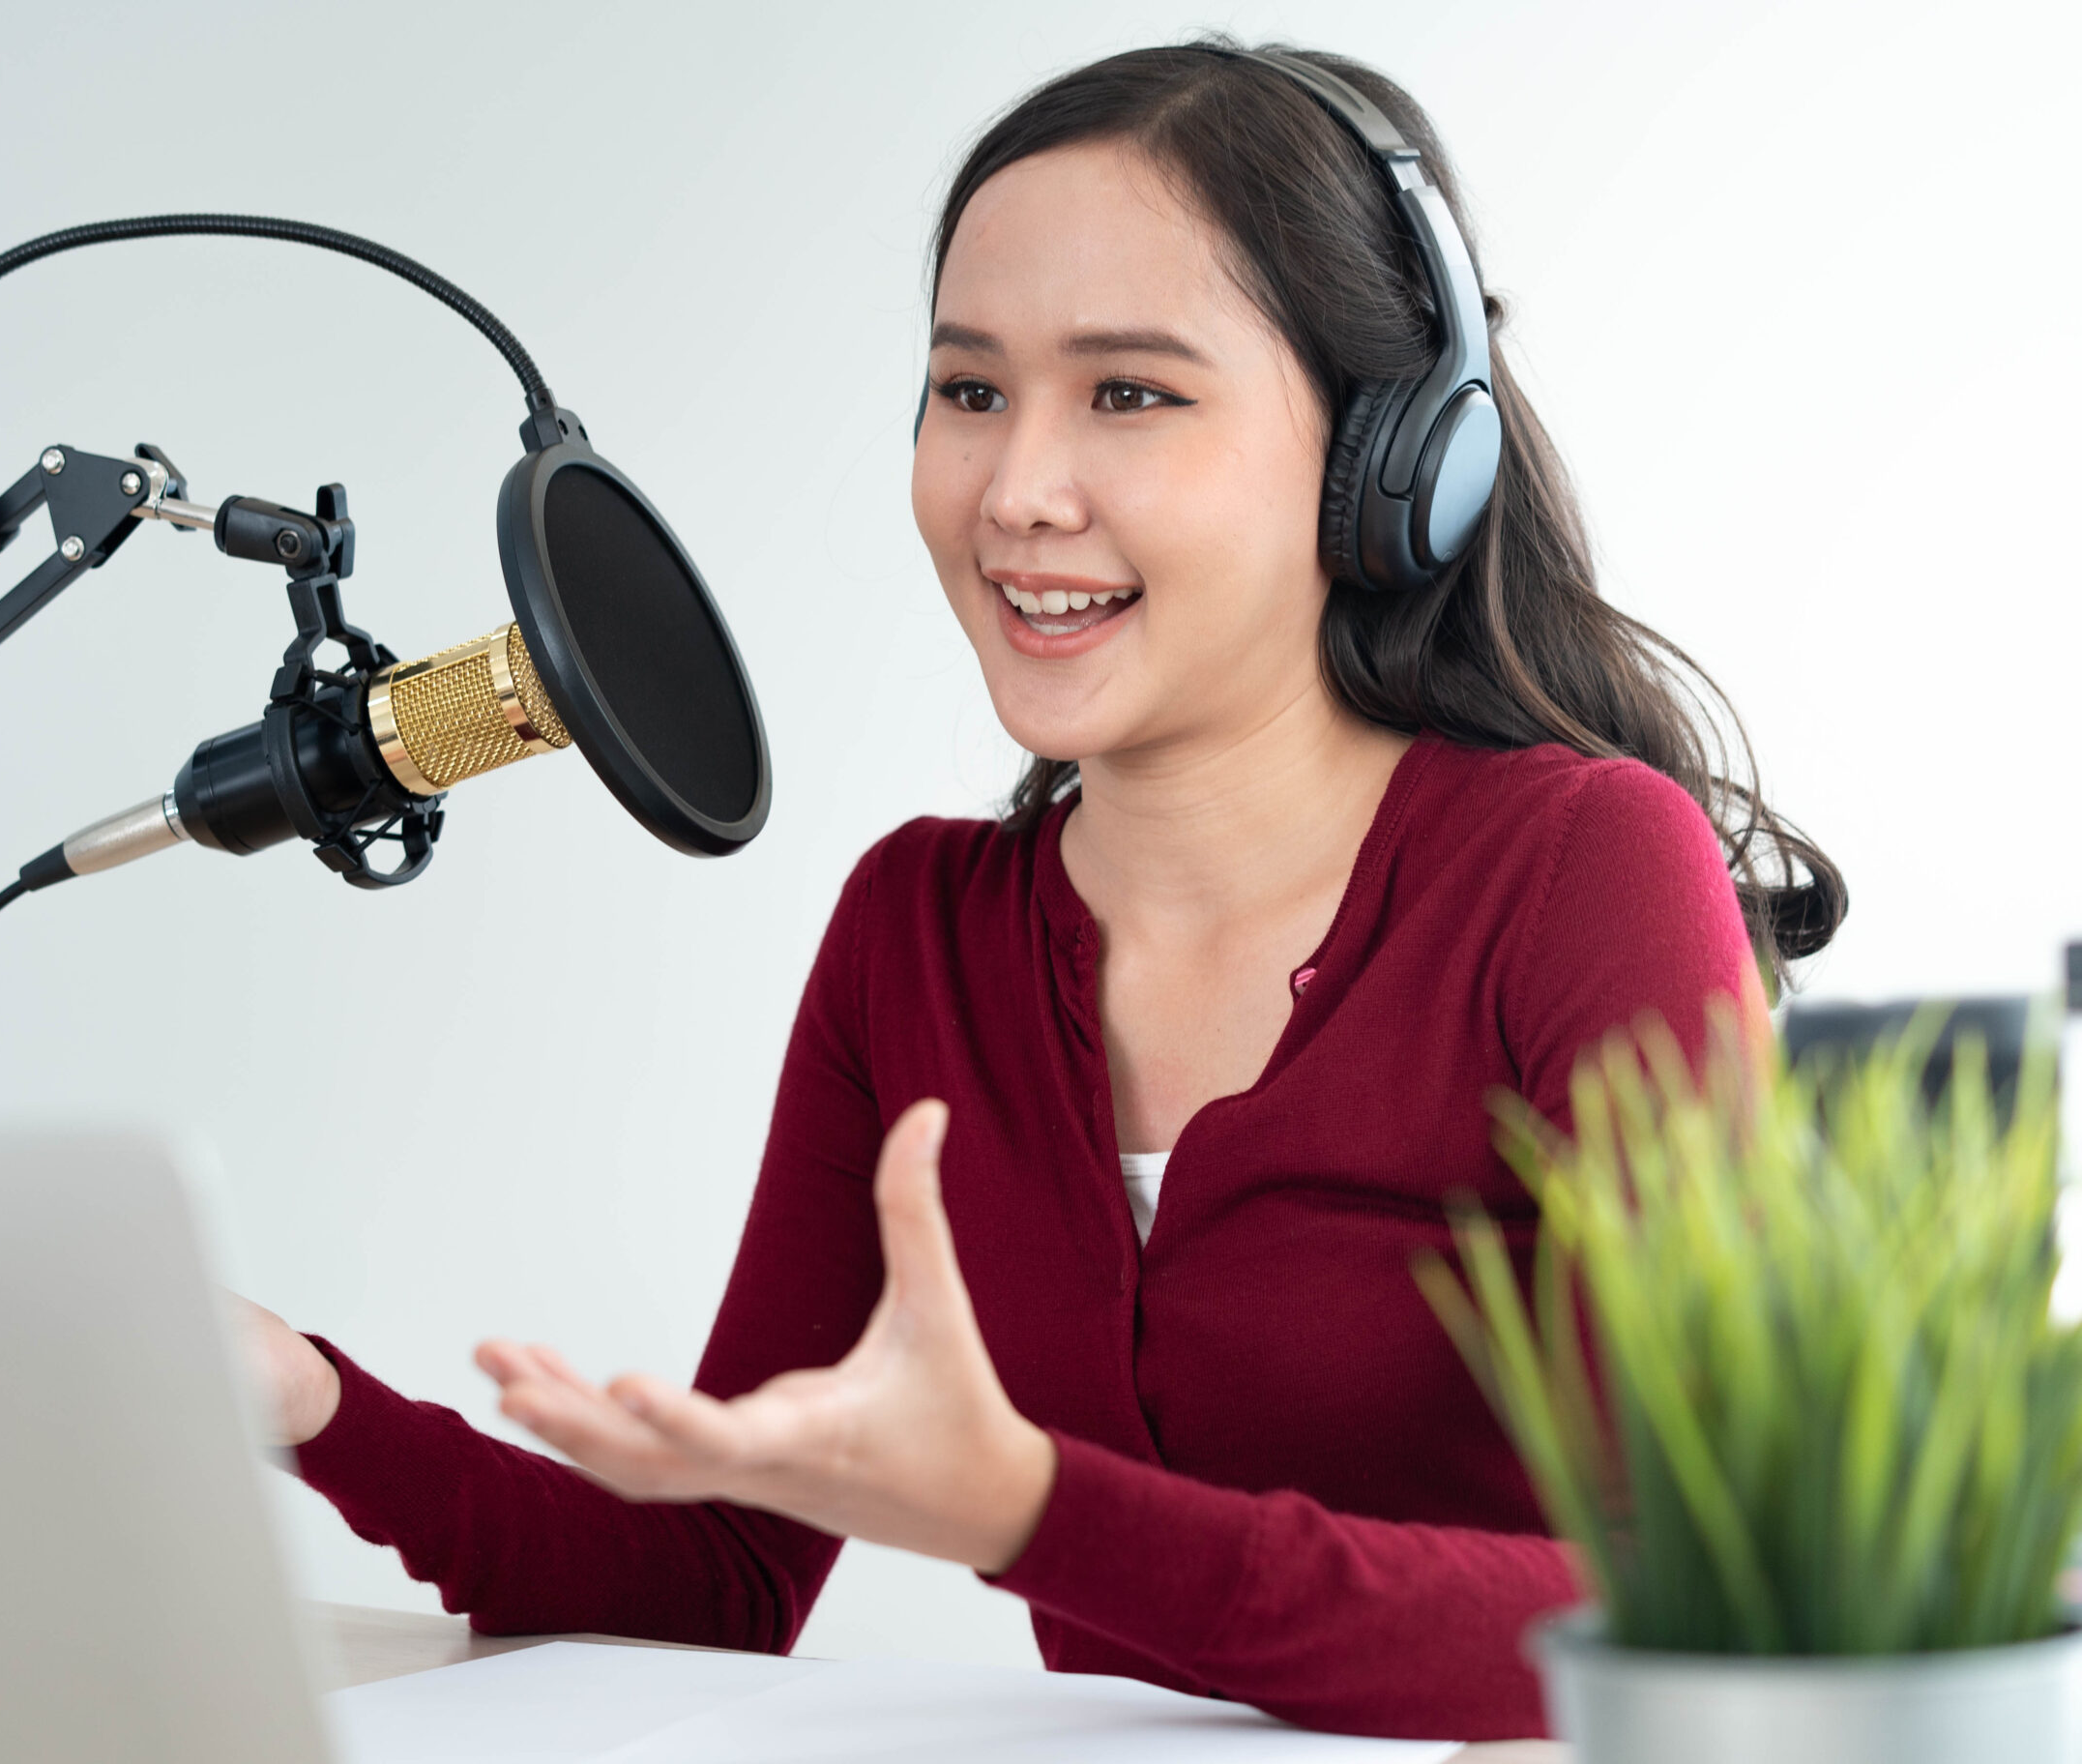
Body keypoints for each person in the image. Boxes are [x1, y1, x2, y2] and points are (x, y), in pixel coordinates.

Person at [232, 41, 1842, 1743]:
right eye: (971, 390)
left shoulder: (1577, 873)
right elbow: (713, 1582)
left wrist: (1031, 1512)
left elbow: (1704, 1601)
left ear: (1386, 458)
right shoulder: (917, 935)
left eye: (1130, 393)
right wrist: (309, 1402)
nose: (1016, 494)